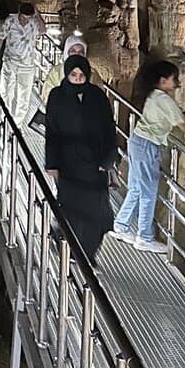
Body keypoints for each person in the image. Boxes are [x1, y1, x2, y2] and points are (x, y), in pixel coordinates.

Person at [111, 60, 185, 253]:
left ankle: (121, 225)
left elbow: (177, 117)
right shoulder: (164, 99)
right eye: (174, 78)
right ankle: (144, 237)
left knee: (137, 188)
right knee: (148, 192)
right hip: (147, 146)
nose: (177, 82)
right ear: (163, 80)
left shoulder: (155, 95)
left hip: (138, 142)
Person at [45, 55, 117, 265]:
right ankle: (73, 250)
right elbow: (52, 132)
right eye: (73, 75)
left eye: (81, 75)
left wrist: (108, 159)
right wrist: (52, 164)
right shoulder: (57, 96)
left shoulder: (97, 96)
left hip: (95, 165)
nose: (77, 79)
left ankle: (88, 252)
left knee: (97, 213)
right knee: (72, 210)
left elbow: (109, 129)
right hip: (69, 165)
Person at [0, 2, 46, 129]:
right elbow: (0, 38)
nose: (25, 21)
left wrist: (37, 13)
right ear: (19, 13)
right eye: (23, 18)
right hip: (10, 62)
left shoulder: (34, 22)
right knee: (6, 92)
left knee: (24, 96)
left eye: (27, 18)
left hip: (27, 65)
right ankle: (4, 119)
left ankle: (16, 126)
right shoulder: (10, 21)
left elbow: (43, 30)